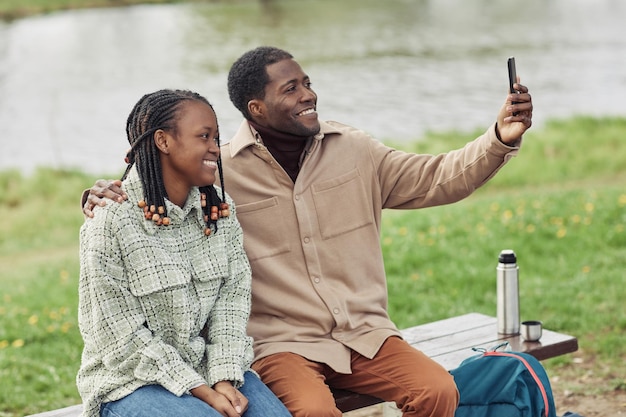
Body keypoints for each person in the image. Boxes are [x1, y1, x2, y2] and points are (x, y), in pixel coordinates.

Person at [83, 47, 533, 417]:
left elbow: (437, 176)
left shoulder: (354, 150)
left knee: (438, 391)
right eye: (292, 88)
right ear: (256, 108)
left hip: (364, 332)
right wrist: (98, 193)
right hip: (282, 343)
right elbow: (158, 177)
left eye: (308, 84)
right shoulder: (219, 172)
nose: (308, 95)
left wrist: (499, 137)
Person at [77, 89, 291, 417]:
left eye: (216, 137)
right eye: (204, 136)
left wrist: (222, 378)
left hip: (212, 369)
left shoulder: (219, 209)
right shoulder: (111, 221)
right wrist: (199, 390)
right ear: (163, 141)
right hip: (131, 381)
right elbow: (120, 338)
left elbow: (231, 304)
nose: (215, 148)